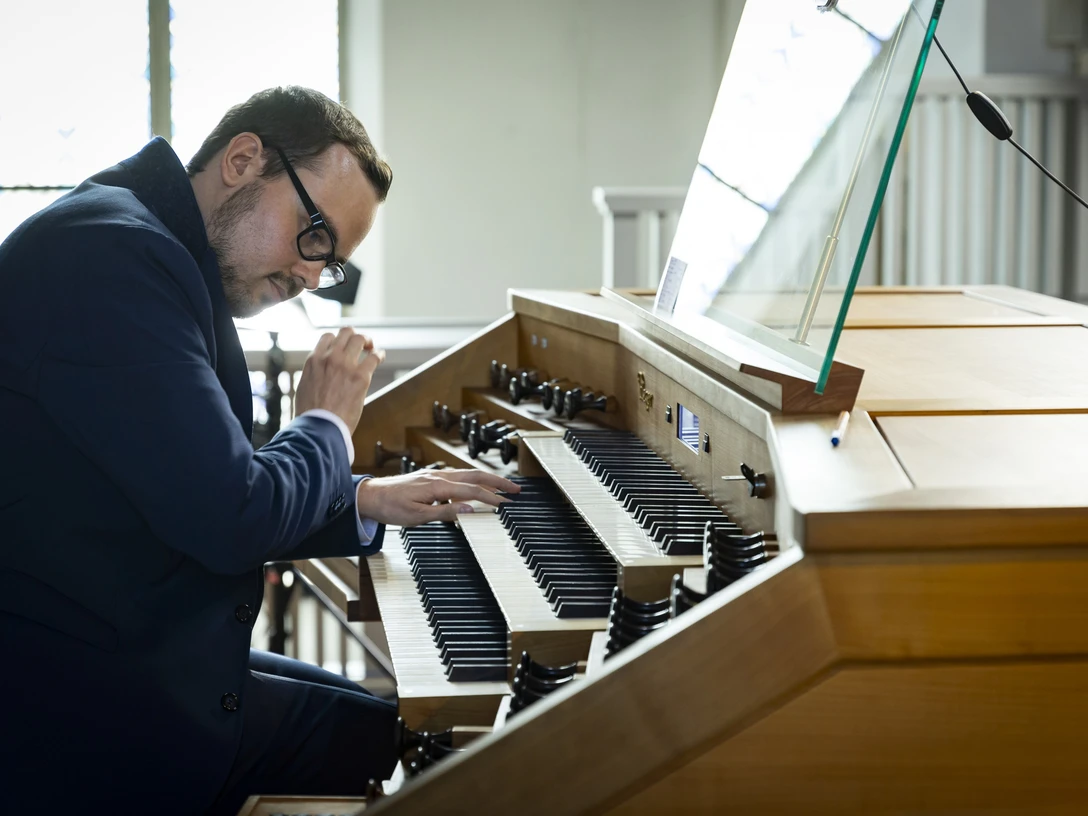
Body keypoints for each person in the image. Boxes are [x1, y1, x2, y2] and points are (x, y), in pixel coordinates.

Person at [0, 85, 517, 815]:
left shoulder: (140, 241)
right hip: (73, 703)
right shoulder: (112, 256)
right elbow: (231, 515)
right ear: (244, 159)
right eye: (314, 238)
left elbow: (192, 483)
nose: (311, 275)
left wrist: (361, 498)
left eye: (329, 264)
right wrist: (328, 426)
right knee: (430, 750)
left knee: (416, 723)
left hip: (118, 646)